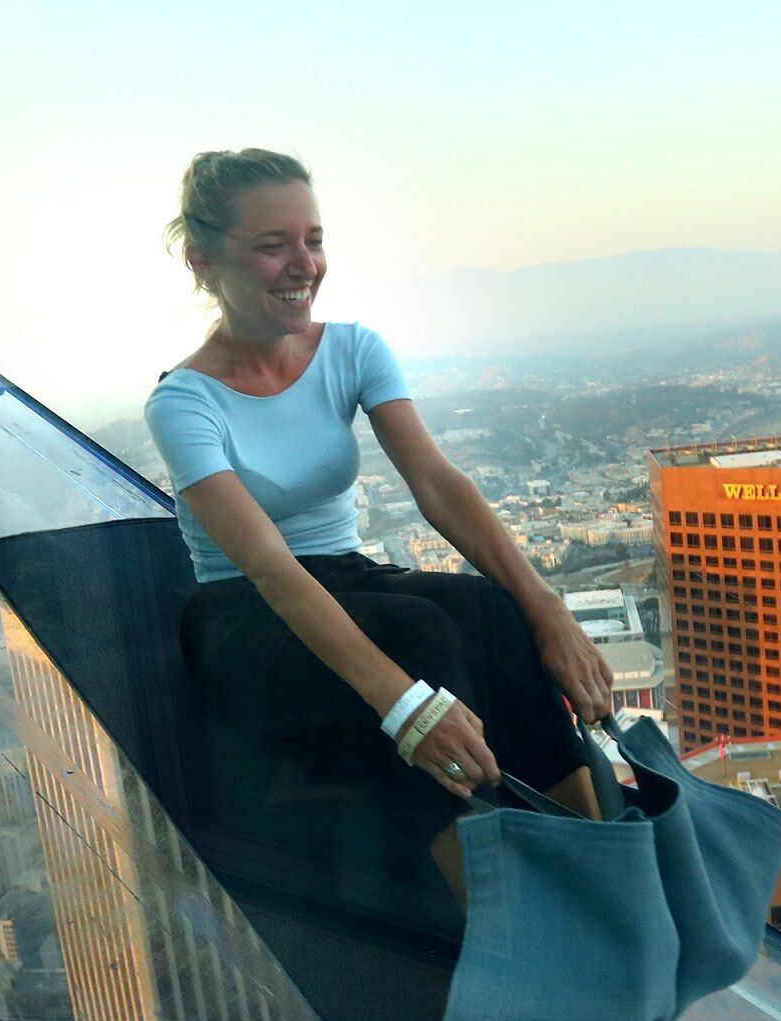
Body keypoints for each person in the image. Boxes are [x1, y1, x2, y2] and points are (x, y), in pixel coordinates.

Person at [145, 148, 617, 920]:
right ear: (204, 258)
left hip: (349, 580)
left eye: (314, 239)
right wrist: (403, 706)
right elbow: (269, 569)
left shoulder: (353, 349)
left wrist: (547, 608)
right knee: (419, 637)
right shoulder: (184, 403)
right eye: (273, 246)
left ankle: (604, 875)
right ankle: (502, 935)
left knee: (495, 613)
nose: (306, 264)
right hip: (244, 620)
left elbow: (437, 484)